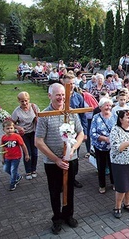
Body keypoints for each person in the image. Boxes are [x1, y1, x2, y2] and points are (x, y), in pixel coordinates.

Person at [35, 83, 84, 234]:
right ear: (50, 96)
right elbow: (38, 141)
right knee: (55, 191)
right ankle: (57, 219)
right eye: (58, 95)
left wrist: (73, 149)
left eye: (63, 95)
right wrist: (56, 159)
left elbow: (81, 133)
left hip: (71, 159)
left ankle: (68, 215)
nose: (61, 98)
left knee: (69, 190)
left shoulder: (71, 113)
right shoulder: (45, 116)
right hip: (53, 162)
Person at [110, 109, 129, 219]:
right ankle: (117, 207)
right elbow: (116, 148)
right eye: (127, 117)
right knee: (122, 186)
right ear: (120, 119)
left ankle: (127, 204)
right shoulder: (115, 130)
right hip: (120, 163)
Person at [62, 74, 88, 188]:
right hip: (62, 130)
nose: (71, 86)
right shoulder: (61, 96)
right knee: (62, 154)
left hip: (75, 131)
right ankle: (62, 179)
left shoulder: (78, 97)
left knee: (74, 155)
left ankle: (73, 178)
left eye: (73, 83)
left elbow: (83, 115)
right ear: (64, 83)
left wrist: (84, 132)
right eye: (69, 83)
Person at [11, 91, 40, 180]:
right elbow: (11, 123)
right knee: (27, 152)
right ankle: (28, 171)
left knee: (35, 152)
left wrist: (37, 120)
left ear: (29, 100)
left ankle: (34, 169)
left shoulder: (34, 107)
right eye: (22, 101)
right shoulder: (17, 111)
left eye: (26, 100)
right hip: (24, 134)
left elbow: (39, 117)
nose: (24, 103)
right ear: (19, 101)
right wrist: (18, 127)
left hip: (34, 132)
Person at [90, 97, 115, 194]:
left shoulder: (114, 116)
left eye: (110, 105)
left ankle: (114, 183)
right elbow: (93, 133)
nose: (108, 107)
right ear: (100, 107)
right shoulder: (96, 117)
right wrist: (105, 139)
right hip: (100, 147)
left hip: (112, 147)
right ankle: (102, 185)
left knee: (112, 165)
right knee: (101, 167)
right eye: (106, 105)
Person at [1, 120, 29, 190]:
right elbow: (3, 148)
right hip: (7, 157)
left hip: (16, 157)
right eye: (7, 128)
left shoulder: (17, 136)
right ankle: (18, 177)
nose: (10, 130)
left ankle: (13, 183)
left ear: (14, 128)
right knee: (6, 169)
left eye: (11, 128)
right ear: (3, 129)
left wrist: (26, 154)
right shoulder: (3, 138)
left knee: (13, 170)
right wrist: (3, 158)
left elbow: (23, 145)